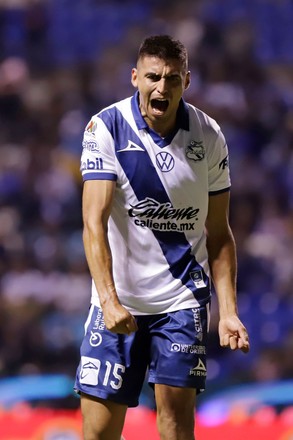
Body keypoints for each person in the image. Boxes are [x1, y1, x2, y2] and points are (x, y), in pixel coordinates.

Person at [74, 34, 250, 440]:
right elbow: (92, 223)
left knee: (175, 423)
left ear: (186, 82)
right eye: (153, 77)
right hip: (117, 301)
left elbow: (220, 235)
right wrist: (108, 298)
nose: (162, 88)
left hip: (181, 299)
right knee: (98, 432)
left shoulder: (208, 136)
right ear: (135, 77)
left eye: (172, 79)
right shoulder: (106, 128)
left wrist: (227, 312)